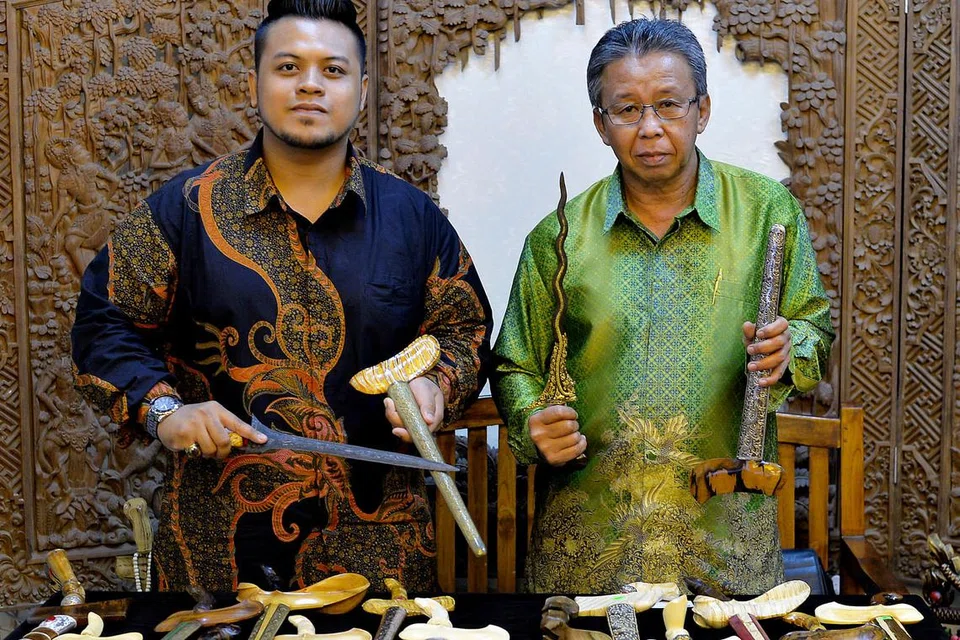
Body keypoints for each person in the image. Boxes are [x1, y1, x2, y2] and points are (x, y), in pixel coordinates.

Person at [72, 0, 492, 592]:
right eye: (289, 67)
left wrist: (436, 384)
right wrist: (166, 410)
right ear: (253, 84)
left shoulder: (410, 218)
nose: (311, 86)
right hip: (218, 552)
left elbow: (464, 328)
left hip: (382, 553)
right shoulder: (185, 211)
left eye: (334, 70)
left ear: (363, 90)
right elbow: (103, 327)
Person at [491, 18, 833, 595]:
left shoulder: (765, 212)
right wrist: (532, 423)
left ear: (703, 110)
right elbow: (514, 364)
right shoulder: (560, 238)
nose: (650, 128)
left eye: (669, 104)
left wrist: (789, 348)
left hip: (725, 548)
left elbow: (812, 326)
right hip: (591, 551)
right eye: (626, 109)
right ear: (601, 124)